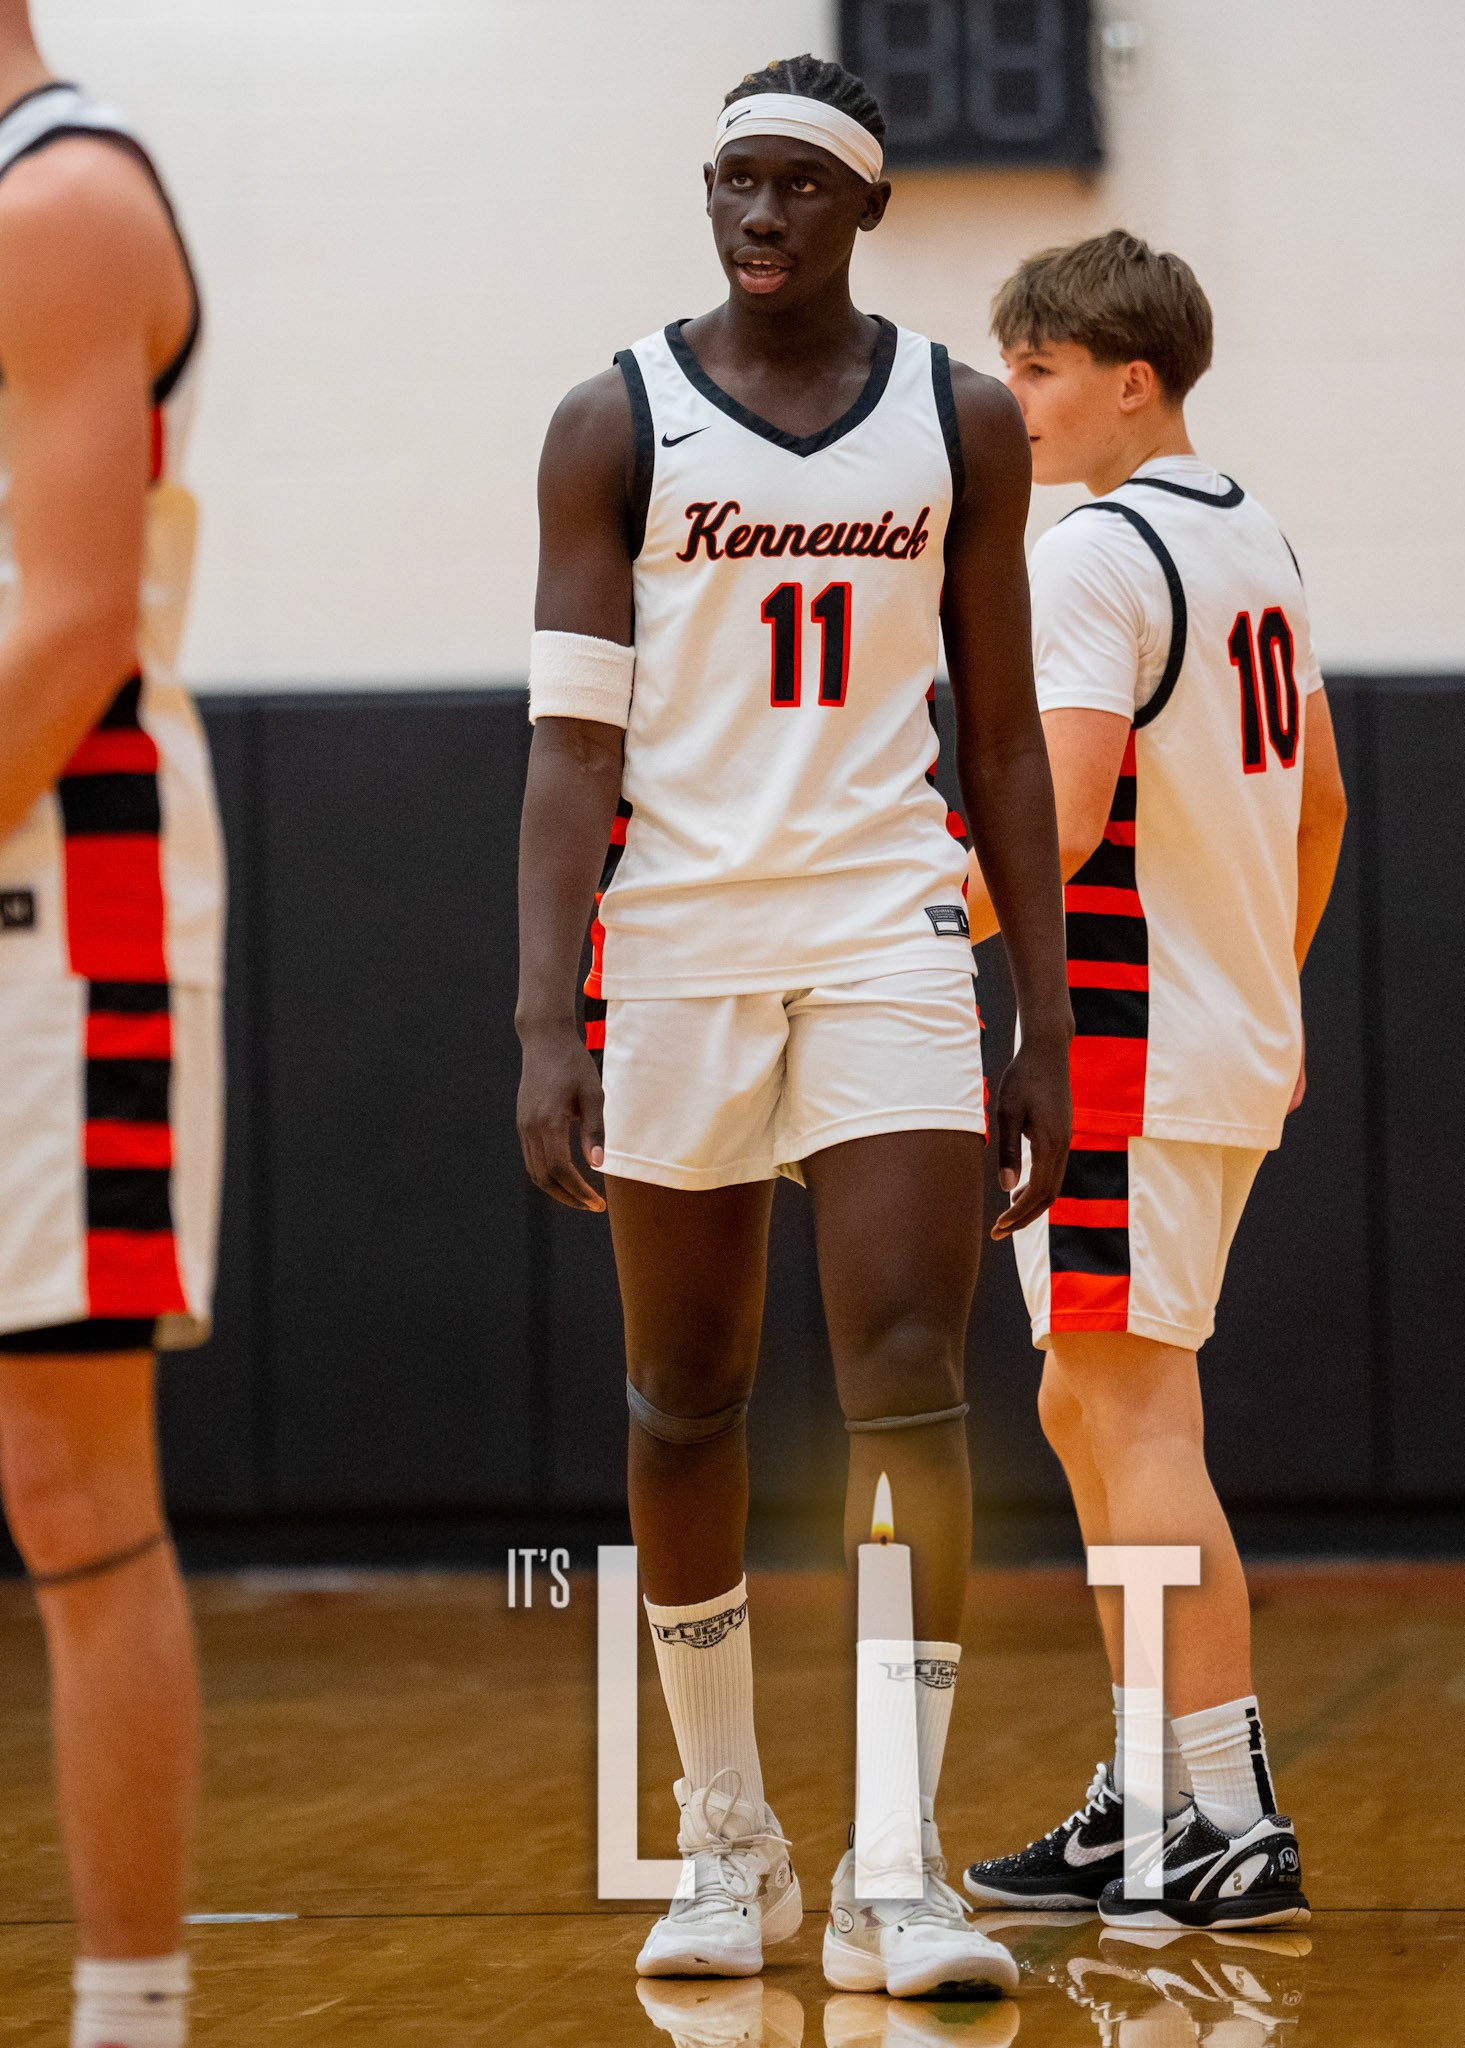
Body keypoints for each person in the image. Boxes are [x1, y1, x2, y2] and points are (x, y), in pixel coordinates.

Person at [515, 54, 1071, 2000]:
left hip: (887, 928)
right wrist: (544, 1016)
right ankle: (728, 1837)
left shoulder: (960, 417)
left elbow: (1008, 740)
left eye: (798, 186)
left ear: (867, 207)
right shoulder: (614, 417)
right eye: (733, 182)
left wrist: (1045, 1019)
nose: (759, 215)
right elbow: (569, 742)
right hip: (675, 935)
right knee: (686, 1390)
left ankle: (894, 1866)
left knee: (911, 1375)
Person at [960, 230, 1346, 1930]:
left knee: (1129, 1413)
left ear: (1133, 380)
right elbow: (1318, 804)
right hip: (1215, 1037)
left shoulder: (1095, 553)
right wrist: (1272, 987)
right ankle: (1147, 1791)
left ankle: (1226, 1816)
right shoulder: (1251, 531)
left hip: (1123, 1044)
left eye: (1038, 368)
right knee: (1086, 1404)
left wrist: (895, 910)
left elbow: (1053, 825)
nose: (1013, 399)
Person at [0, 9, 221, 2047]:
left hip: (68, 900)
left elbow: (68, 626)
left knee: (71, 1487)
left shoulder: (62, 197)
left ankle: (128, 2020)